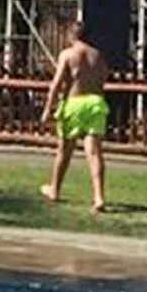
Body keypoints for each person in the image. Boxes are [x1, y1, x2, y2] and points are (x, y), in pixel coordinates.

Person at [40, 22, 110, 213]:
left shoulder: (68, 54)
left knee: (64, 150)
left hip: (74, 103)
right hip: (95, 103)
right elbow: (104, 76)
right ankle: (99, 197)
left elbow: (56, 83)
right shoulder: (97, 55)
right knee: (94, 153)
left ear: (72, 36)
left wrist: (48, 108)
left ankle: (54, 189)